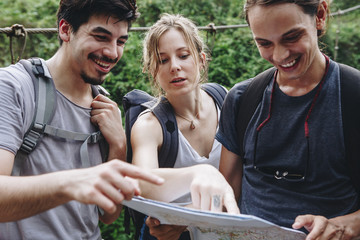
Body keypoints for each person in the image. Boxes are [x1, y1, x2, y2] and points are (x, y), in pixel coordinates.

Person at [0, 0, 164, 239]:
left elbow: (108, 214)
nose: (112, 53)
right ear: (65, 30)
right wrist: (72, 183)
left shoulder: (103, 105)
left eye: (120, 41)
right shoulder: (14, 87)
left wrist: (119, 145)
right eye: (101, 37)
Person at [214, 0, 360, 239]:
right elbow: (224, 199)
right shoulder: (242, 100)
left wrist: (343, 226)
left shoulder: (353, 97)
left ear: (320, 15)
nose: (280, 55)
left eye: (291, 37)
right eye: (264, 43)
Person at [129, 14, 229, 240]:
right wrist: (201, 174)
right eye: (162, 60)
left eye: (183, 56)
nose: (175, 66)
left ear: (202, 59)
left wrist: (189, 215)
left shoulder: (226, 101)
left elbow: (241, 178)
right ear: (151, 70)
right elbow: (145, 184)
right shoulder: (148, 125)